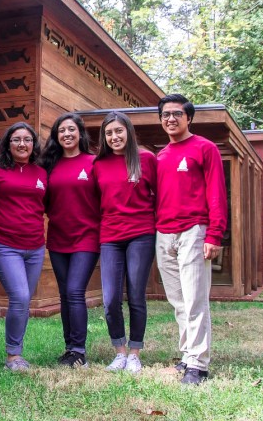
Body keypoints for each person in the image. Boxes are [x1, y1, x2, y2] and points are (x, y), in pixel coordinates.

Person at [155, 94, 227, 385]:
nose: (170, 118)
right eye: (165, 114)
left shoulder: (205, 148)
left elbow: (217, 194)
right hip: (163, 234)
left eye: (176, 113)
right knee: (178, 301)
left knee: (195, 299)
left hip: (194, 232)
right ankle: (187, 356)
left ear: (188, 117)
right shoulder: (160, 157)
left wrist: (214, 234)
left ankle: (199, 364)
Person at [93, 111, 157, 374]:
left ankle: (134, 353)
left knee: (136, 295)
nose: (114, 137)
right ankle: (119, 352)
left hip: (141, 234)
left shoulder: (146, 159)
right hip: (110, 237)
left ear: (128, 132)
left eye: (118, 131)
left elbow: (161, 197)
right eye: (109, 133)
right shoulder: (99, 164)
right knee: (109, 299)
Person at [40, 113, 99, 368]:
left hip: (87, 236)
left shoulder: (94, 163)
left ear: (80, 134)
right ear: (56, 136)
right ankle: (69, 348)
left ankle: (79, 350)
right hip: (58, 238)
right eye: (61, 130)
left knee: (75, 291)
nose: (66, 134)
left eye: (71, 130)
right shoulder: (48, 165)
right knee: (65, 294)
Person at [0, 121, 48, 372]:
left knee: (24, 302)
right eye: (16, 139)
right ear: (8, 144)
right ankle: (13, 356)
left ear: (33, 144)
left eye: (27, 139)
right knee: (20, 296)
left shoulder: (41, 173)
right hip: (6, 245)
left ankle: (17, 352)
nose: (22, 144)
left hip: (35, 246)